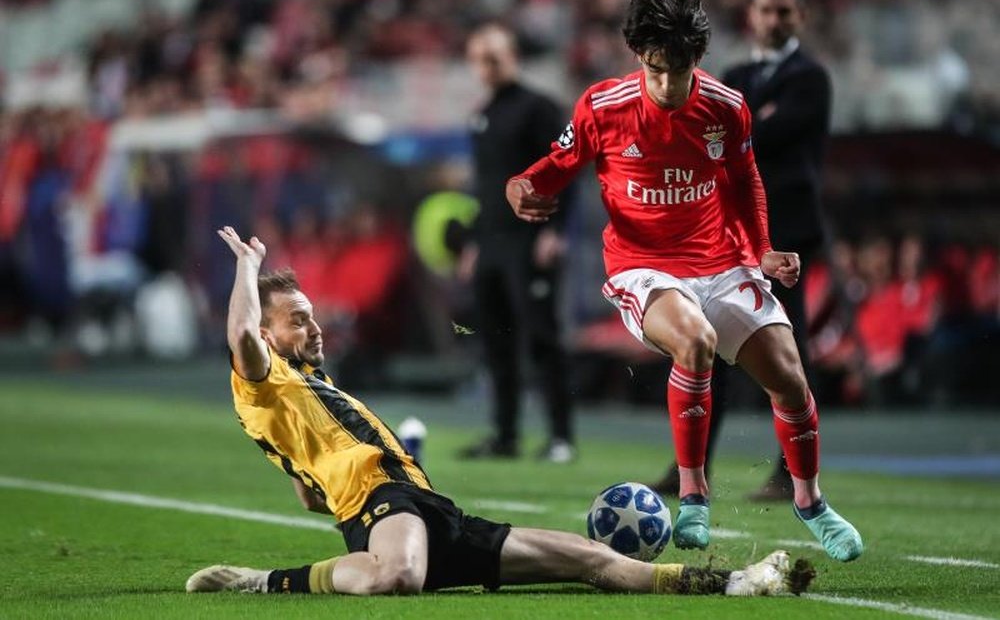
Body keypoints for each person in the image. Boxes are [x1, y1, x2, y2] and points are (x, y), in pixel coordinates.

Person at [185, 226, 813, 598]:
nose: (315, 324)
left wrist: (351, 470)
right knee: (396, 577)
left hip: (424, 509)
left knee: (590, 560)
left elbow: (310, 497)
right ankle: (264, 581)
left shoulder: (308, 389)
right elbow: (241, 335)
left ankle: (737, 581)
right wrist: (247, 266)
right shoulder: (260, 378)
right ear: (267, 334)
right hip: (387, 509)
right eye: (298, 319)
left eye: (313, 312)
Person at [504, 0, 862, 562]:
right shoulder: (602, 106)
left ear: (699, 58)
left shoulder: (726, 106)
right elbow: (553, 166)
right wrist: (519, 187)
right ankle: (694, 495)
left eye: (679, 70)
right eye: (656, 69)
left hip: (720, 261)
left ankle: (810, 502)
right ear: (638, 57)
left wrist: (762, 252)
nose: (668, 85)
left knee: (791, 379)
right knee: (695, 341)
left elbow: (746, 184)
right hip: (641, 266)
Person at [650, 0, 834, 502]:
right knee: (705, 346)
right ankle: (693, 466)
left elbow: (751, 139)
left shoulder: (810, 78)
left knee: (789, 350)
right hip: (725, 241)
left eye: (785, 11)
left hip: (788, 235)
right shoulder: (731, 76)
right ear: (751, 15)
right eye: (767, 10)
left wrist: (730, 130)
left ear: (800, 16)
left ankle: (789, 471)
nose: (775, 20)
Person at [457, 22, 575, 462]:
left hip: (530, 241)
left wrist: (554, 230)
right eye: (479, 59)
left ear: (513, 57)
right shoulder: (481, 115)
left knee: (542, 338)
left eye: (495, 57)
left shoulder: (540, 108)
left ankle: (561, 436)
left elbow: (567, 167)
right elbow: (484, 187)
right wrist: (473, 243)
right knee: (495, 341)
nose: (487, 66)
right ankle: (505, 435)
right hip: (491, 244)